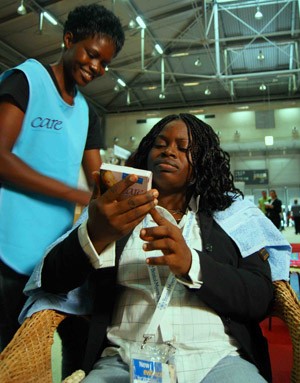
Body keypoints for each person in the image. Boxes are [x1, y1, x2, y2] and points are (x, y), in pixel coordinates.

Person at [20, 114, 291, 383]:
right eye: (160, 145)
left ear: (204, 162)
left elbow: (258, 298)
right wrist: (96, 233)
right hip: (123, 359)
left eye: (184, 148)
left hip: (218, 359)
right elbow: (53, 281)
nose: (169, 151)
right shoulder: (115, 212)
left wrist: (191, 264)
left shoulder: (233, 218)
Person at [0, 3, 125, 352]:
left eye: (105, 63)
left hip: (50, 255)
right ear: (69, 39)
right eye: (92, 54)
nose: (96, 67)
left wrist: (130, 193)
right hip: (6, 245)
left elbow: (99, 181)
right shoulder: (26, 80)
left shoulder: (87, 113)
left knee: (48, 349)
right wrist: (75, 194)